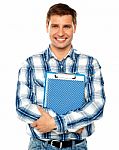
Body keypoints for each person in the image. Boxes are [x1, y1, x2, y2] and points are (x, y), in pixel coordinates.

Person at [16, 3, 106, 150]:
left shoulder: (90, 64)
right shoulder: (31, 63)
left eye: (66, 26)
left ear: (74, 27)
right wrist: (71, 124)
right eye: (55, 26)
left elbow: (97, 106)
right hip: (40, 146)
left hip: (77, 146)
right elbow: (22, 107)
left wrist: (54, 123)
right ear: (47, 26)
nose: (60, 33)